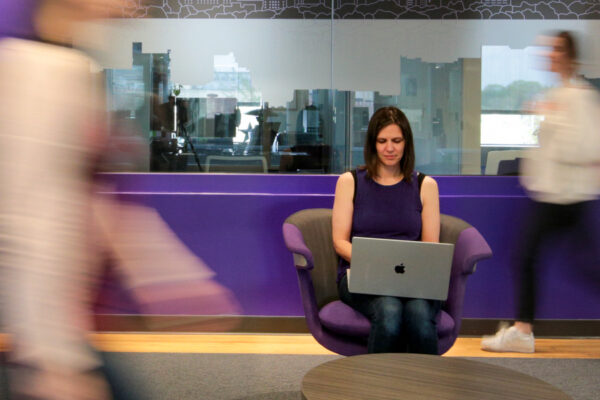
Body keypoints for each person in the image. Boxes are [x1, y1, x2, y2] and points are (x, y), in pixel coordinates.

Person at [481, 31, 600, 353]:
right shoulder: (560, 94)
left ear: (570, 55)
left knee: (534, 258)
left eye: (557, 49)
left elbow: (589, 148)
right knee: (549, 259)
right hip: (552, 196)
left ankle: (522, 332)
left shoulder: (579, 96)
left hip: (566, 197)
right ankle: (522, 331)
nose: (550, 54)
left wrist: (552, 118)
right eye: (549, 49)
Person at [332, 106, 441, 354]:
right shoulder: (350, 182)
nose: (389, 148)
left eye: (396, 141)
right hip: (362, 275)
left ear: (406, 143)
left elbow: (430, 247)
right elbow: (340, 242)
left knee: (420, 316)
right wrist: (378, 264)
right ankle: (376, 387)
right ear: (372, 143)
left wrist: (398, 270)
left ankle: (427, 388)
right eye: (382, 141)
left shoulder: (426, 185)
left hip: (413, 279)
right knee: (389, 311)